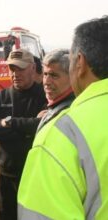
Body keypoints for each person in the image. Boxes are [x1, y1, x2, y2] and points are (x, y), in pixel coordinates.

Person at [18, 16, 108, 219]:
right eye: (46, 75)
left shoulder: (65, 131)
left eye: (56, 75)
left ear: (80, 63)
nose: (47, 81)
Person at [0, 48, 47, 220]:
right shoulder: (1, 97)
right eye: (12, 69)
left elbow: (43, 128)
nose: (15, 74)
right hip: (6, 176)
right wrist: (28, 128)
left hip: (35, 175)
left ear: (33, 68)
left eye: (20, 68)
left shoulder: (44, 96)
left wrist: (10, 122)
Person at [36, 49, 75, 131]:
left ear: (71, 77)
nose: (47, 82)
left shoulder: (70, 112)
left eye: (54, 76)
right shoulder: (55, 108)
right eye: (45, 74)